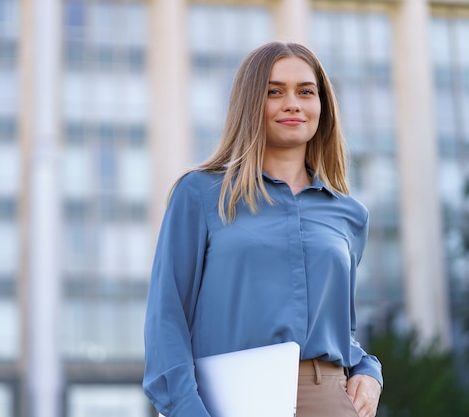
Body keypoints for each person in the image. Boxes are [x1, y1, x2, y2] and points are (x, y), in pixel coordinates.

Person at [143, 41, 382, 417]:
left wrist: (369, 370)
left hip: (329, 400)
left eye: (306, 91)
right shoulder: (201, 195)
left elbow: (340, 330)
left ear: (322, 105)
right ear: (250, 103)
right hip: (229, 401)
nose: (293, 103)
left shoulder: (349, 215)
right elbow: (166, 319)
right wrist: (187, 410)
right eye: (274, 92)